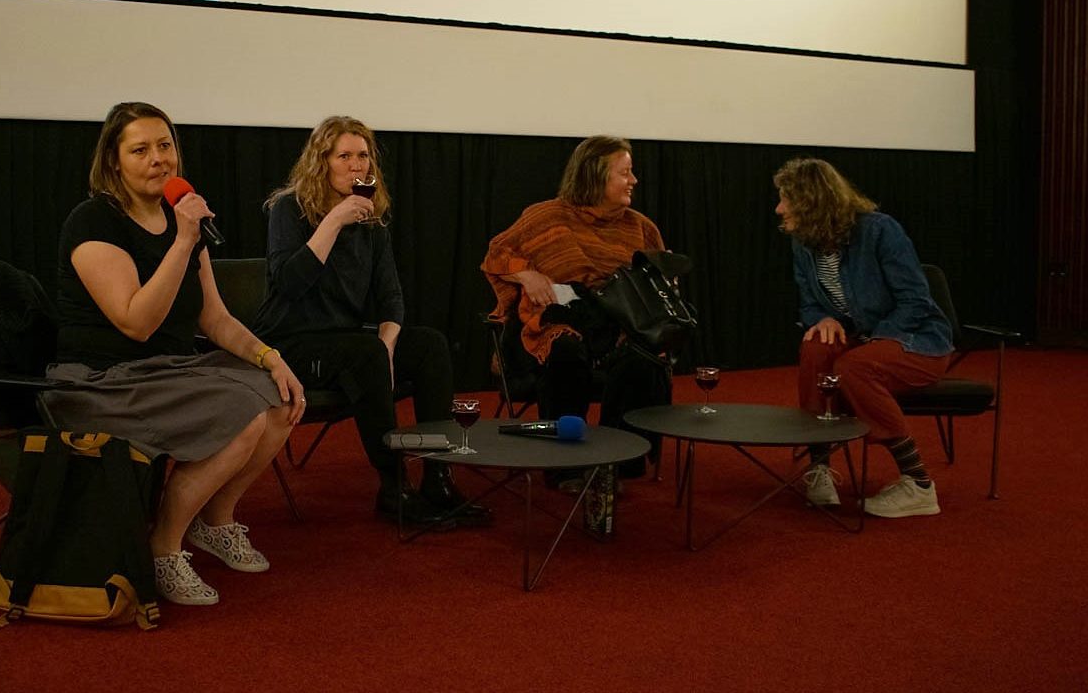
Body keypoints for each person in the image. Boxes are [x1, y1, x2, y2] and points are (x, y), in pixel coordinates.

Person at [44, 102, 307, 606]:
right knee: (241, 413)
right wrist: (183, 242)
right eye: (140, 150)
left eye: (164, 145)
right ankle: (162, 548)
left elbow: (215, 319)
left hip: (170, 371)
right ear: (114, 160)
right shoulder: (93, 221)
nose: (157, 159)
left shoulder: (181, 219)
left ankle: (215, 520)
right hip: (103, 379)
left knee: (280, 399)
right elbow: (136, 323)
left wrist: (270, 357)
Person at [253, 115, 486, 528]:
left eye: (362, 156)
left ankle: (438, 476)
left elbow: (391, 297)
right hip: (290, 343)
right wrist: (334, 220)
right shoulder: (289, 208)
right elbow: (289, 284)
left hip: (344, 341)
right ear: (322, 162)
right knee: (365, 352)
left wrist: (388, 346)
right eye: (344, 156)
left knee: (429, 344)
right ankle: (394, 486)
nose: (356, 165)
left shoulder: (372, 221)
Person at [481, 135, 672, 479]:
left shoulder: (642, 229)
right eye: (624, 173)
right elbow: (497, 253)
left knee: (641, 358)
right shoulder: (547, 217)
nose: (634, 180)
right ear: (595, 176)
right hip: (553, 327)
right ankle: (565, 465)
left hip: (617, 332)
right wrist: (526, 275)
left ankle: (616, 459)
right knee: (566, 351)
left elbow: (660, 290)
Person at [774, 157, 952, 518]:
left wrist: (874, 340)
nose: (779, 208)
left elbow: (916, 301)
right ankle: (820, 468)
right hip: (865, 339)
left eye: (785, 199)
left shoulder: (880, 231)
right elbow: (808, 303)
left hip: (917, 340)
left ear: (811, 201)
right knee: (816, 347)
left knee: (854, 367)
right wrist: (822, 318)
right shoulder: (803, 243)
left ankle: (919, 484)